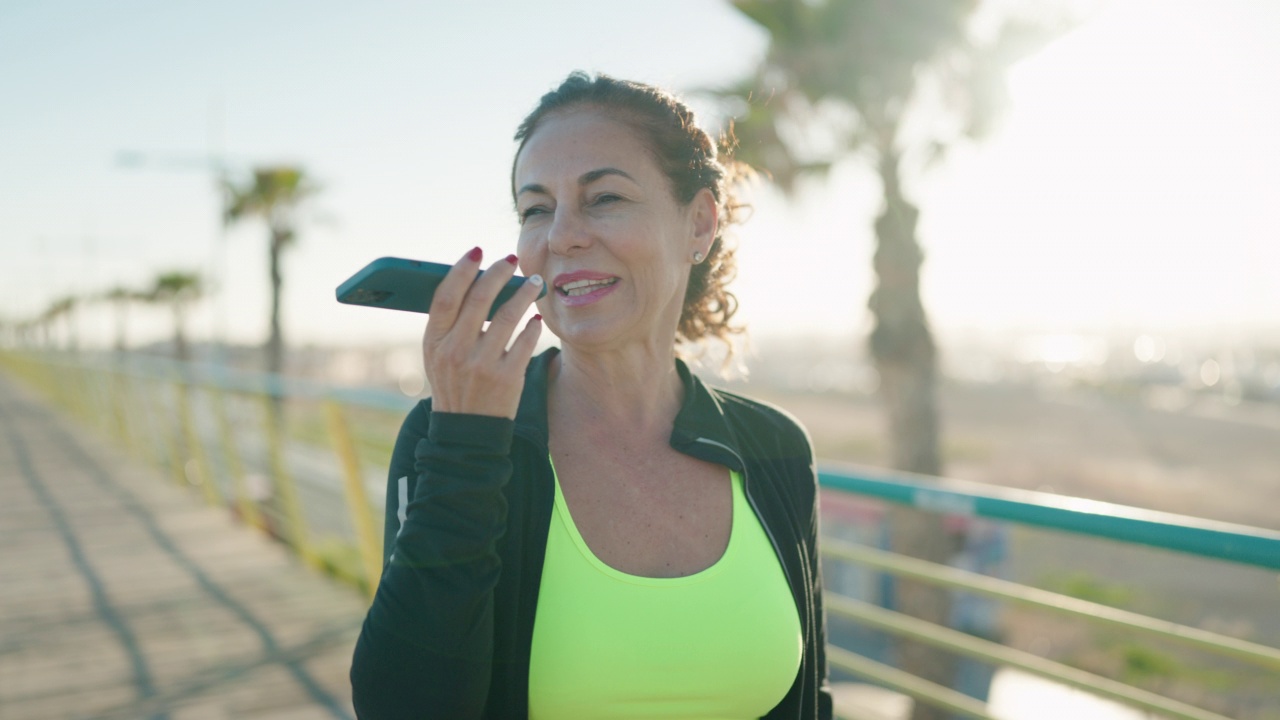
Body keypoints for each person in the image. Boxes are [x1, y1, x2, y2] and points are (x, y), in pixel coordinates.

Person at [350, 71, 832, 720]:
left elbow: (813, 701)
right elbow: (402, 708)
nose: (562, 236)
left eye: (603, 198)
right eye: (536, 209)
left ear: (698, 223)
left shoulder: (775, 449)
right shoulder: (452, 434)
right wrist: (465, 441)